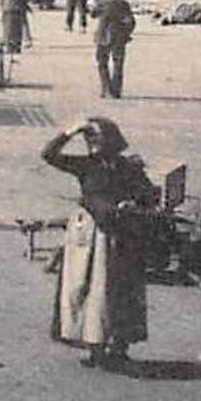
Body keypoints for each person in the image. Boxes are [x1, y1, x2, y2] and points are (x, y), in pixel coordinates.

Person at [42, 117, 159, 369]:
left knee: (117, 290)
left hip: (120, 232)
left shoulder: (129, 167)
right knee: (93, 289)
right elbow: (48, 154)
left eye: (97, 139)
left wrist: (133, 203)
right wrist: (70, 131)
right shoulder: (86, 165)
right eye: (90, 140)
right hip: (93, 234)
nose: (93, 145)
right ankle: (96, 347)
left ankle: (117, 347)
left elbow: (149, 195)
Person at [93, 0, 136, 99]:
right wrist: (127, 33)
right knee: (118, 64)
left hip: (103, 36)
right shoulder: (123, 4)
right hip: (119, 37)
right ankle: (116, 90)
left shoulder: (103, 3)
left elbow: (92, 14)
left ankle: (106, 88)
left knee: (102, 62)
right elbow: (131, 21)